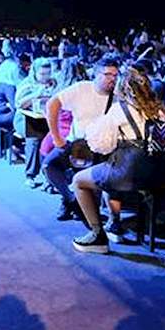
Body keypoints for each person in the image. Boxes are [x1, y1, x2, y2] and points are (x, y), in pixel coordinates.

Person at [71, 67, 165, 252]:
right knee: (107, 175)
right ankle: (115, 224)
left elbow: (100, 145)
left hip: (128, 174)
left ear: (123, 89)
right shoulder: (162, 111)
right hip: (159, 176)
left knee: (79, 181)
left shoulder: (119, 110)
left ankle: (97, 235)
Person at [44, 57, 121, 221]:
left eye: (115, 75)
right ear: (96, 74)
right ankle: (70, 199)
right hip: (76, 143)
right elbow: (52, 104)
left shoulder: (117, 96)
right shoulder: (82, 89)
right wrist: (57, 138)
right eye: (108, 75)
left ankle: (82, 206)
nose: (112, 79)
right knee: (49, 166)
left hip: (100, 147)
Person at [16, 58, 58, 187]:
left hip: (46, 119)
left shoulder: (53, 83)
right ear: (34, 72)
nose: (45, 77)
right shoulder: (26, 84)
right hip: (25, 119)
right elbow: (19, 104)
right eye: (42, 74)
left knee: (54, 139)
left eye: (48, 74)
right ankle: (30, 174)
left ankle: (50, 176)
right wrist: (35, 94)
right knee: (34, 139)